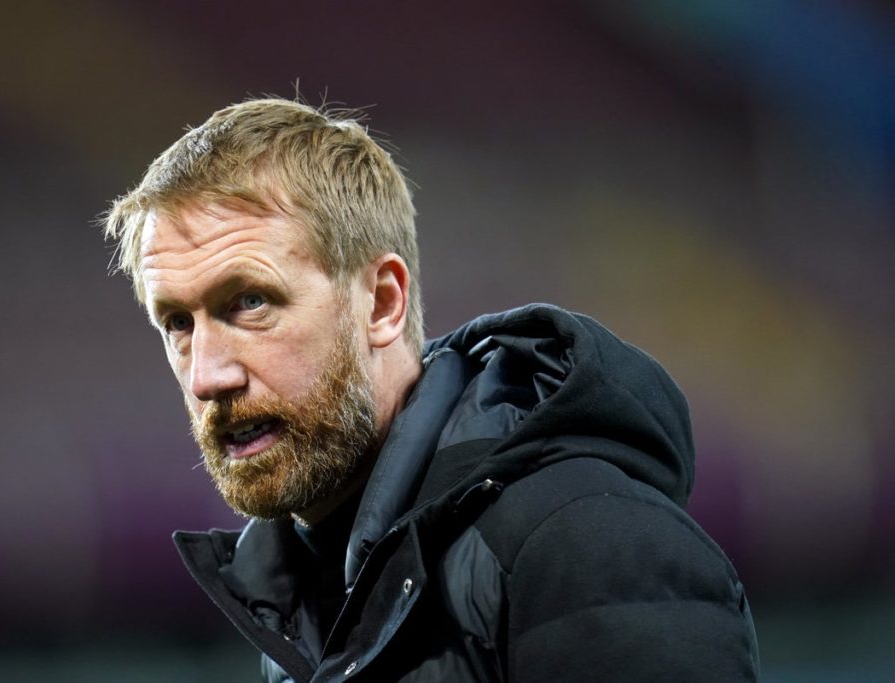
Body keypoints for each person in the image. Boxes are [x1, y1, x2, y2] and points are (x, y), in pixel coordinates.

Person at [103, 98, 760, 682]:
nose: (207, 376)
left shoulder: (584, 547)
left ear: (382, 303)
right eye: (178, 323)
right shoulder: (298, 605)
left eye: (250, 302)